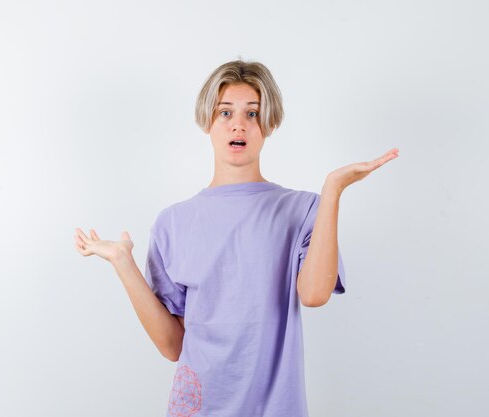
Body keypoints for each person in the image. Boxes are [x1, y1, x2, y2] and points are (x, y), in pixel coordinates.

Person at [75, 59, 399, 417]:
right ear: (207, 122)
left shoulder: (303, 210)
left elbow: (314, 294)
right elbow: (172, 346)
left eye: (253, 114)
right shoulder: (173, 223)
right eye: (225, 112)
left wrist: (333, 190)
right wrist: (123, 263)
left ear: (270, 124)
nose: (238, 125)